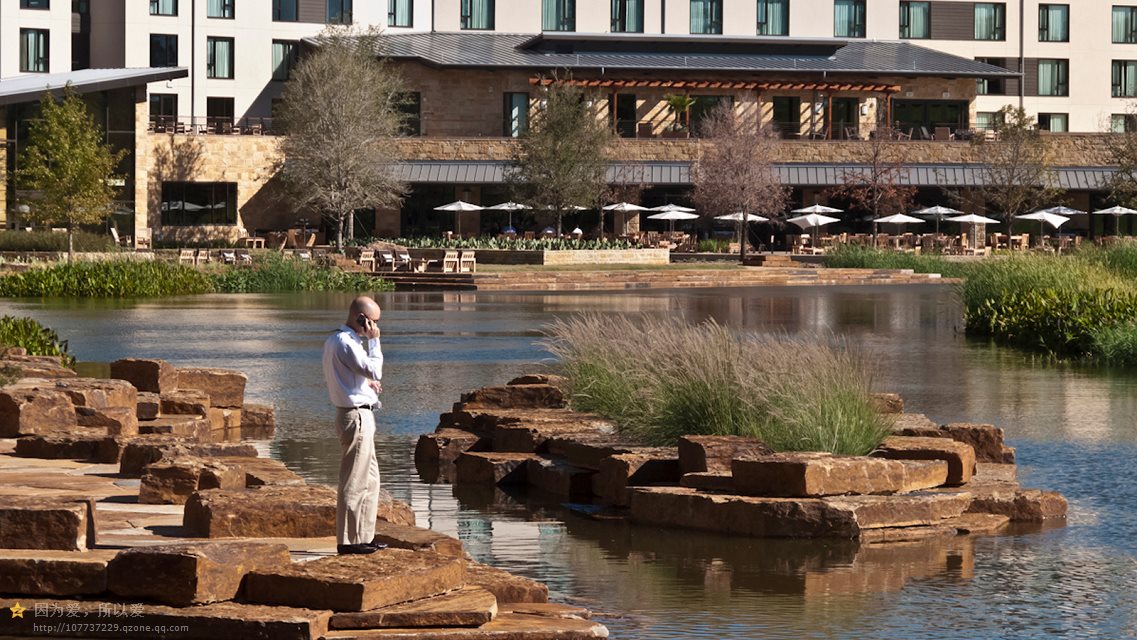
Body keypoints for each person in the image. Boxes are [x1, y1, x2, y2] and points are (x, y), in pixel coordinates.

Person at [322, 295, 388, 555]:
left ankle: (364, 536)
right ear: (361, 319)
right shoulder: (346, 342)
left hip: (360, 414)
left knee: (371, 480)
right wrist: (375, 342)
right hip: (355, 417)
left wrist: (365, 384)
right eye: (373, 322)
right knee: (355, 481)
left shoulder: (341, 340)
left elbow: (352, 375)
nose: (376, 327)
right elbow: (376, 370)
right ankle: (348, 542)